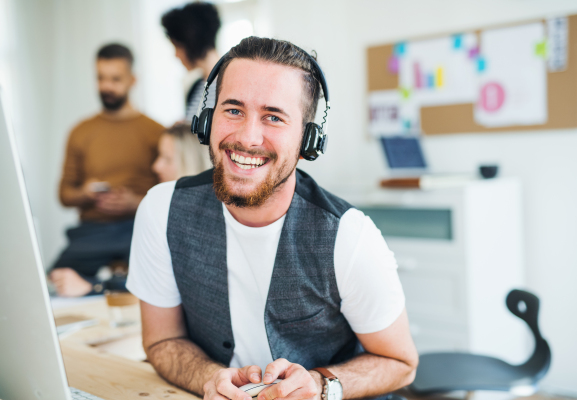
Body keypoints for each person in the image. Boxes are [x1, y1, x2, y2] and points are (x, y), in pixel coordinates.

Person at [126, 37, 418, 400]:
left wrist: (321, 385)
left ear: (307, 140)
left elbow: (402, 364)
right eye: (233, 110)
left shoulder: (349, 237)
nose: (247, 137)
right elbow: (162, 339)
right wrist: (207, 377)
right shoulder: (162, 209)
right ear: (205, 121)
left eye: (273, 117)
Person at [50, 43, 164, 297]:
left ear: (132, 80)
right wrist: (85, 193)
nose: (106, 87)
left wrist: (136, 202)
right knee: (54, 280)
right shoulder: (80, 132)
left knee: (153, 276)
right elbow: (64, 194)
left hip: (137, 227)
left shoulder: (155, 131)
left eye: (115, 79)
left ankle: (103, 287)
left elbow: (171, 193)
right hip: (93, 232)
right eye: (101, 78)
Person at [161, 2, 221, 121]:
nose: (176, 55)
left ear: (191, 43)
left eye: (177, 46)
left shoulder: (232, 84)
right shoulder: (195, 87)